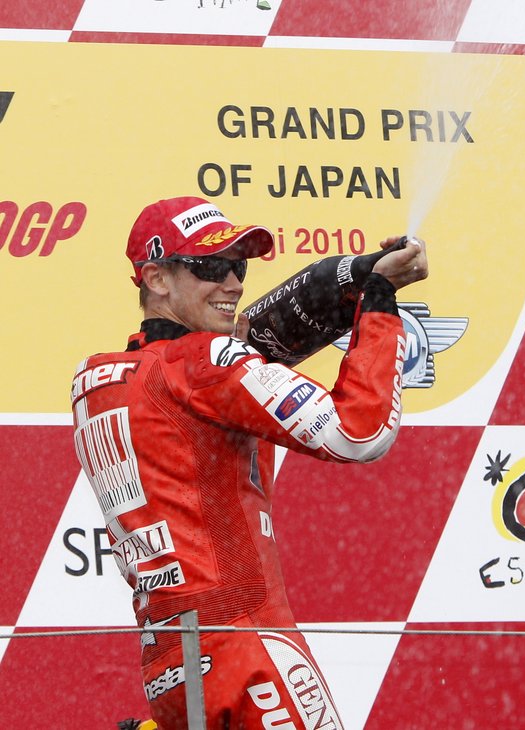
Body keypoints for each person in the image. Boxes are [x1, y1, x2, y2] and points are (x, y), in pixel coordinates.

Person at [70, 196, 426, 729]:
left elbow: (246, 352)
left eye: (239, 267)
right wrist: (377, 300)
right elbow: (360, 433)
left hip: (170, 665)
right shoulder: (204, 366)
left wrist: (353, 275)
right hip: (249, 645)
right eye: (212, 267)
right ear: (157, 279)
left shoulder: (95, 382)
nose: (234, 284)